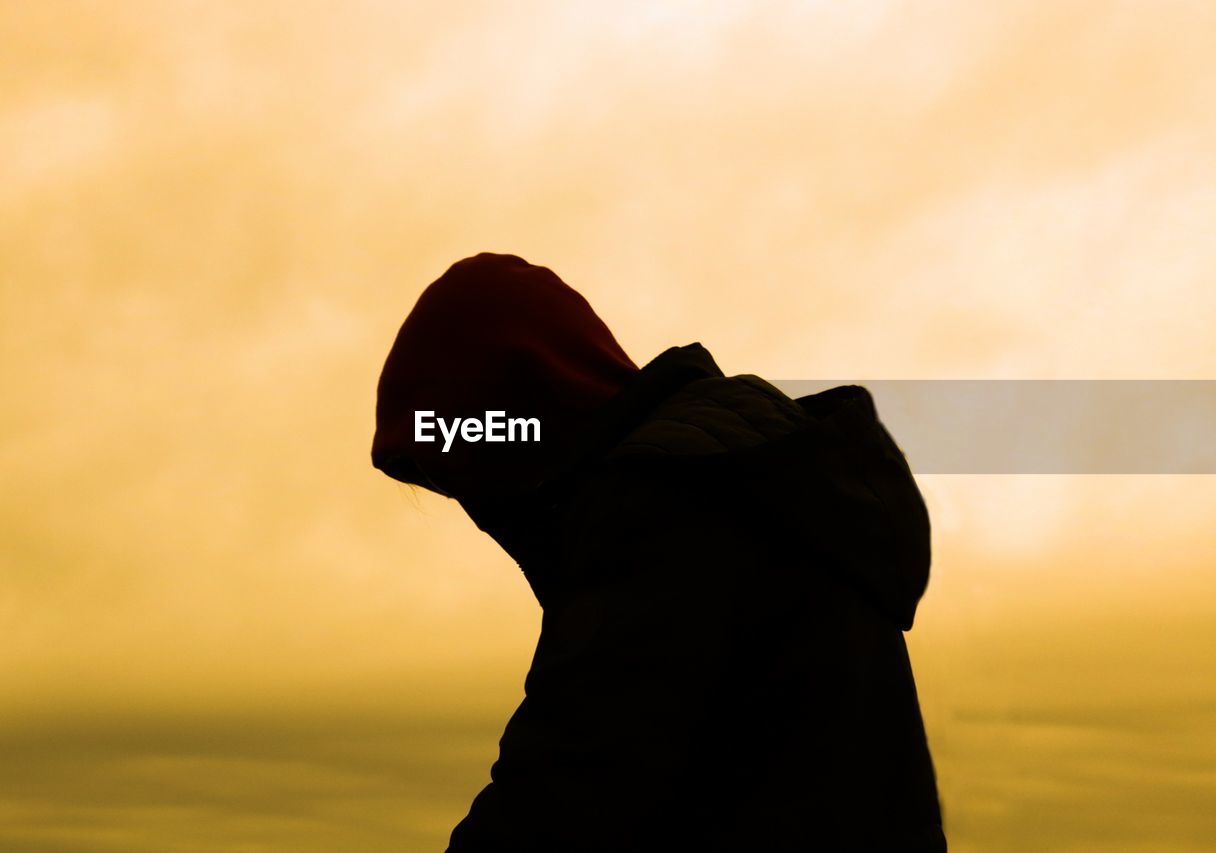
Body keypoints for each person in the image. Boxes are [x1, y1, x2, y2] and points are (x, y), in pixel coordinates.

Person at [372, 252, 947, 852]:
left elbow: (560, 798)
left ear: (522, 418)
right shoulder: (758, 485)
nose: (477, 510)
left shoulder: (660, 520)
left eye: (464, 468)